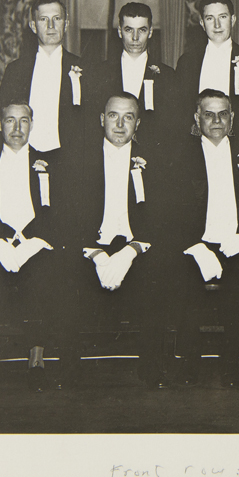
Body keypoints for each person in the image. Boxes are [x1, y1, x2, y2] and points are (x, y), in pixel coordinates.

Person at [68, 92, 169, 387]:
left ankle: (152, 367)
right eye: (114, 115)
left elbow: (162, 216)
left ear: (138, 124)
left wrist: (133, 250)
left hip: (135, 245)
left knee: (159, 273)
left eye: (129, 117)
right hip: (90, 245)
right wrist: (95, 254)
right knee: (61, 272)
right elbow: (68, 215)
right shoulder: (79, 158)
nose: (121, 124)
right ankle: (70, 369)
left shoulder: (155, 160)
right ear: (102, 119)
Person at [0, 100, 70, 386]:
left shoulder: (49, 163)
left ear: (31, 125)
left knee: (44, 274)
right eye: (10, 121)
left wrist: (35, 241)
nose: (17, 128)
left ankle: (36, 358)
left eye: (23, 121)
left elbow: (56, 213)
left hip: (34, 241)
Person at [170, 89, 239, 387]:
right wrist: (196, 247)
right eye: (208, 114)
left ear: (232, 117)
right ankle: (189, 364)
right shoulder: (180, 155)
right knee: (186, 290)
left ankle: (231, 365)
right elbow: (171, 210)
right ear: (197, 118)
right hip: (196, 244)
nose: (217, 120)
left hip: (236, 242)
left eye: (223, 114)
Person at [0, 0, 86, 175]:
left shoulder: (84, 69)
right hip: (25, 159)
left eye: (57, 19)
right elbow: (2, 118)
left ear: (66, 24)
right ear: (34, 26)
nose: (51, 26)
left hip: (70, 164)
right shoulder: (16, 70)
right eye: (44, 19)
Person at [88, 2, 179, 160]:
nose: (135, 38)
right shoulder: (99, 72)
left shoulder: (167, 75)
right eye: (129, 30)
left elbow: (171, 127)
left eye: (142, 30)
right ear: (119, 31)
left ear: (150, 32)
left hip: (154, 159)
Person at [174, 0, 239, 149]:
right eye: (210, 18)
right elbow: (181, 110)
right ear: (202, 24)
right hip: (197, 147)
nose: (217, 25)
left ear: (232, 20)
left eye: (222, 17)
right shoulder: (187, 62)